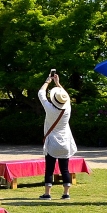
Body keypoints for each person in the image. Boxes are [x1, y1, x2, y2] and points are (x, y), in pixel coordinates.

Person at [38, 70, 76, 200]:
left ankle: (47, 193)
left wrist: (48, 81)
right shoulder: (67, 109)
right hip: (65, 142)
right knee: (65, 169)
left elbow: (41, 93)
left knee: (49, 168)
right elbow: (66, 98)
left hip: (52, 142)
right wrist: (58, 84)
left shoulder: (50, 109)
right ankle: (66, 193)